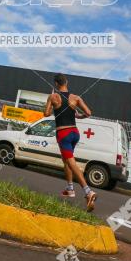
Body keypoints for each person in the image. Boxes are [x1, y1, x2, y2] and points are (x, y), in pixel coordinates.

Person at [43, 73, 96, 211]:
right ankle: (70, 188)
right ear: (67, 82)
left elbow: (46, 114)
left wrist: (49, 100)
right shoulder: (76, 98)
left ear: (56, 84)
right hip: (74, 133)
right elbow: (89, 112)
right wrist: (78, 115)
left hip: (63, 134)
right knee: (66, 160)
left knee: (71, 163)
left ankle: (88, 192)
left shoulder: (53, 97)